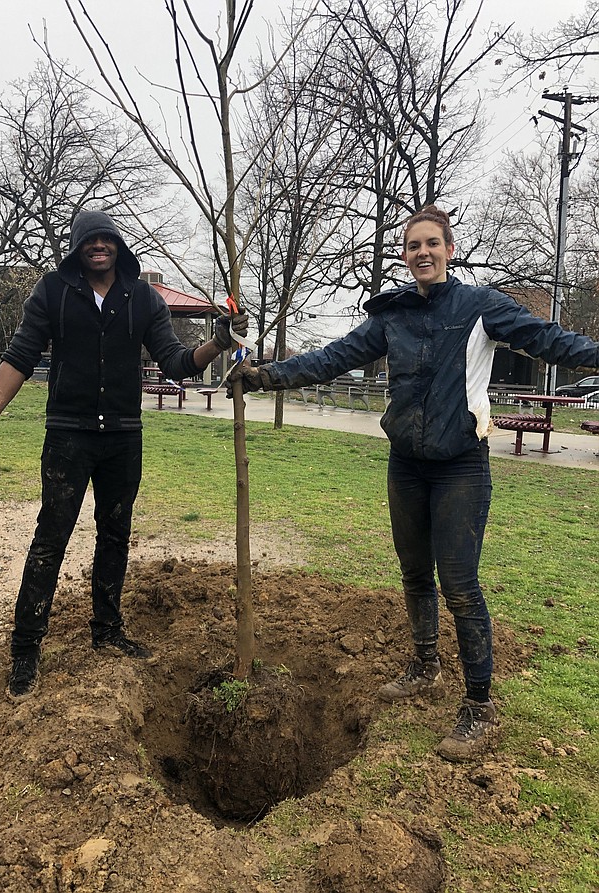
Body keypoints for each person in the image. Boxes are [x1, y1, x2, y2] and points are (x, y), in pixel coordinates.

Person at [229, 205, 599, 762]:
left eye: (431, 244)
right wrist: (269, 375)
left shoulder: (482, 307)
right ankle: (424, 666)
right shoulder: (393, 315)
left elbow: (552, 341)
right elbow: (337, 356)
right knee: (413, 573)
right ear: (405, 256)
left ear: (449, 250)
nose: (421, 253)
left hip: (459, 467)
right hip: (405, 463)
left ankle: (479, 706)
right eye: (411, 246)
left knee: (460, 585)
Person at [0, 209, 248, 703]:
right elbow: (20, 355)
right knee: (50, 539)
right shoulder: (53, 291)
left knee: (115, 534)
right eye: (89, 239)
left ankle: (107, 629)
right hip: (68, 438)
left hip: (122, 438)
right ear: (78, 247)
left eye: (107, 238)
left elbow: (177, 362)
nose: (99, 246)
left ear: (118, 245)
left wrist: (218, 342)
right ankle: (25, 652)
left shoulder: (142, 298)